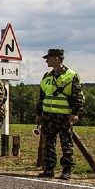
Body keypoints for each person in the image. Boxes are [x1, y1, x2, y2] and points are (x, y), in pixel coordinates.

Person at [35, 49, 83, 180]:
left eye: (48, 58)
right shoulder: (47, 76)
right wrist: (39, 113)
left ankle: (66, 170)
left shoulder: (71, 75)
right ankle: (49, 169)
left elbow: (78, 96)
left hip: (64, 116)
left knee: (66, 144)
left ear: (56, 59)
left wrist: (75, 113)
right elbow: (42, 96)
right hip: (48, 116)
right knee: (48, 144)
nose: (46, 61)